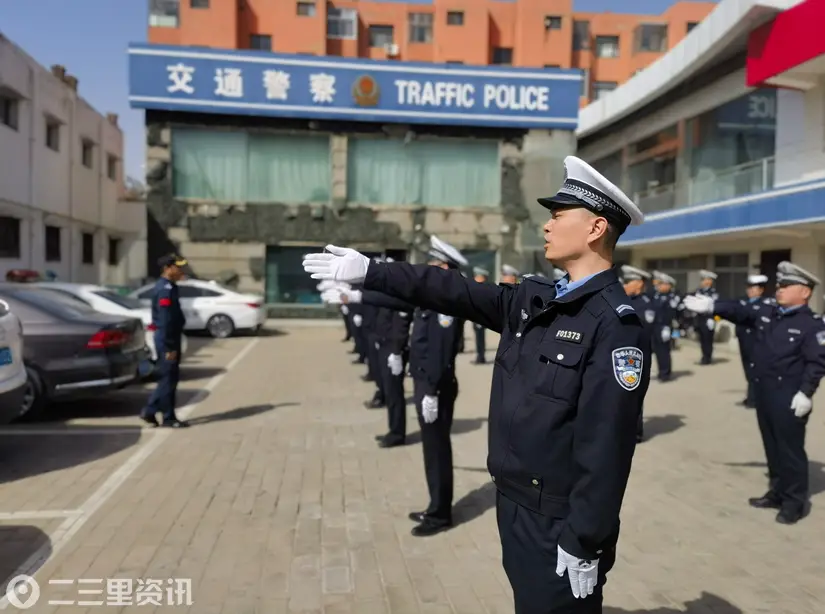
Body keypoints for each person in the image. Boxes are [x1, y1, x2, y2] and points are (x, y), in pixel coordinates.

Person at [303, 155, 651, 611]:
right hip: (514, 501)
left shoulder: (614, 325)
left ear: (595, 228)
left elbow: (606, 448)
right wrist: (373, 271)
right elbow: (454, 291)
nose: (547, 226)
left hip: (557, 519)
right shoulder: (536, 298)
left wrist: (587, 539)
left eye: (558, 215)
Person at [685, 262, 825, 524]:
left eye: (786, 286)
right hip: (764, 392)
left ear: (805, 292)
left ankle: (795, 502)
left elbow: (817, 363)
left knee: (790, 450)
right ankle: (777, 491)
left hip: (790, 396)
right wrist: (712, 307)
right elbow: (740, 310)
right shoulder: (769, 312)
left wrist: (806, 393)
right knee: (772, 447)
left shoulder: (812, 324)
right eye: (779, 285)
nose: (779, 289)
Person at [141, 254, 189, 428]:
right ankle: (161, 415)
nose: (181, 270)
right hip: (167, 339)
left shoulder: (170, 286)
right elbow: (165, 320)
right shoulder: (164, 289)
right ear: (168, 268)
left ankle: (156, 412)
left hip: (171, 337)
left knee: (169, 378)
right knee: (168, 379)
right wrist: (169, 346)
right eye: (178, 267)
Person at [620, 265, 653, 442]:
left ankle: (636, 431)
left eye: (628, 282)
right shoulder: (622, 299)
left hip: (637, 355)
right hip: (620, 354)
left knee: (634, 392)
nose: (624, 285)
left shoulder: (645, 304)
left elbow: (645, 330)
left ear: (639, 283)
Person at [735, 275, 773, 408]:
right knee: (748, 370)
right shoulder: (742, 301)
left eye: (753, 288)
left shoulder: (767, 304)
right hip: (744, 341)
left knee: (755, 371)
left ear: (761, 290)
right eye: (749, 288)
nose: (750, 291)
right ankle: (752, 396)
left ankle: (754, 399)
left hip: (757, 342)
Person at [691, 270, 719, 365]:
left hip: (709, 319)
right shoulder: (698, 291)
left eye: (707, 280)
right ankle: (704, 356)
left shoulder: (713, 293)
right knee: (702, 339)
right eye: (703, 280)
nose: (705, 282)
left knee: (708, 340)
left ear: (711, 282)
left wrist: (715, 319)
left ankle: (708, 358)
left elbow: (717, 307)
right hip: (699, 319)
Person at [472, 267, 491, 364]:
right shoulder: (479, 287)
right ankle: (480, 355)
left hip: (480, 316)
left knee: (480, 337)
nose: (475, 278)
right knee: (478, 337)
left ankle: (481, 357)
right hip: (477, 315)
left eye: (477, 276)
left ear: (482, 277)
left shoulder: (483, 288)